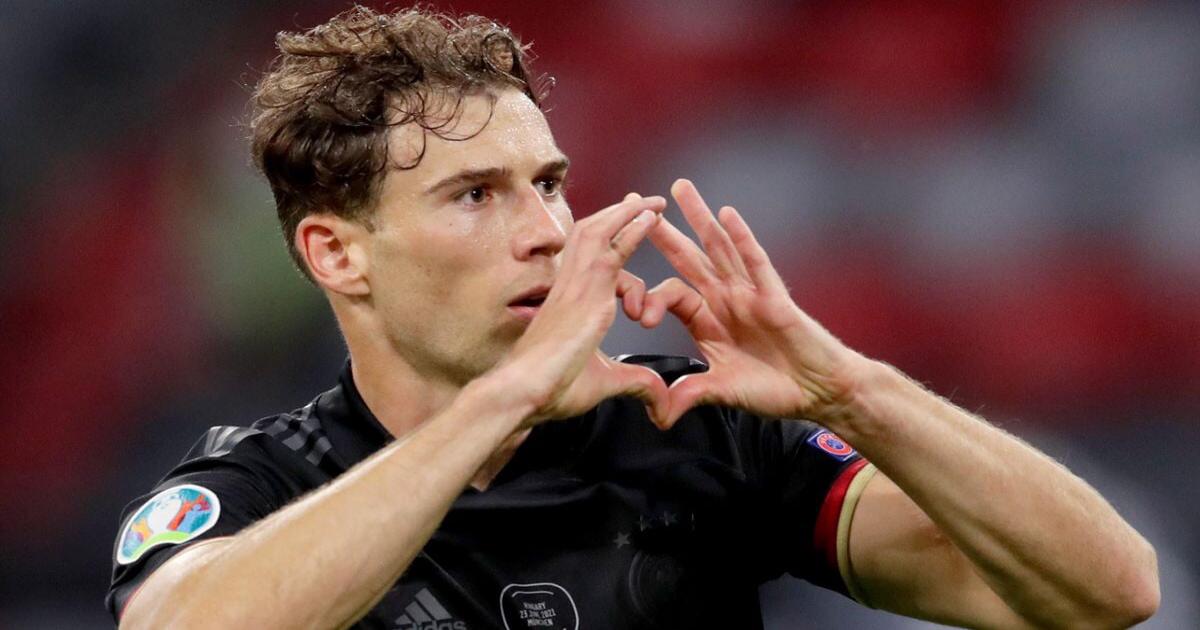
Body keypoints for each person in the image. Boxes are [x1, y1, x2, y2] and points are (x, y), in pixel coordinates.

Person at [106, 6, 1159, 629]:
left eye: (549, 185)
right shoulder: (263, 484)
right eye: (475, 195)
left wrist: (854, 390)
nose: (546, 231)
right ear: (338, 253)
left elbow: (1108, 590)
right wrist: (503, 401)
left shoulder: (689, 437)